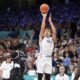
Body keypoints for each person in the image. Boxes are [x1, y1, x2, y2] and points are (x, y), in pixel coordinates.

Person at [36, 13, 56, 80]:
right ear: (44, 33)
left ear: (50, 33)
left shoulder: (52, 39)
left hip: (49, 58)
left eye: (48, 31)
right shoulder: (42, 37)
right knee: (40, 76)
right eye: (46, 31)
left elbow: (54, 32)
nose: (47, 32)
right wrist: (44, 18)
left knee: (48, 77)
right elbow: (42, 29)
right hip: (42, 57)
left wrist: (50, 21)